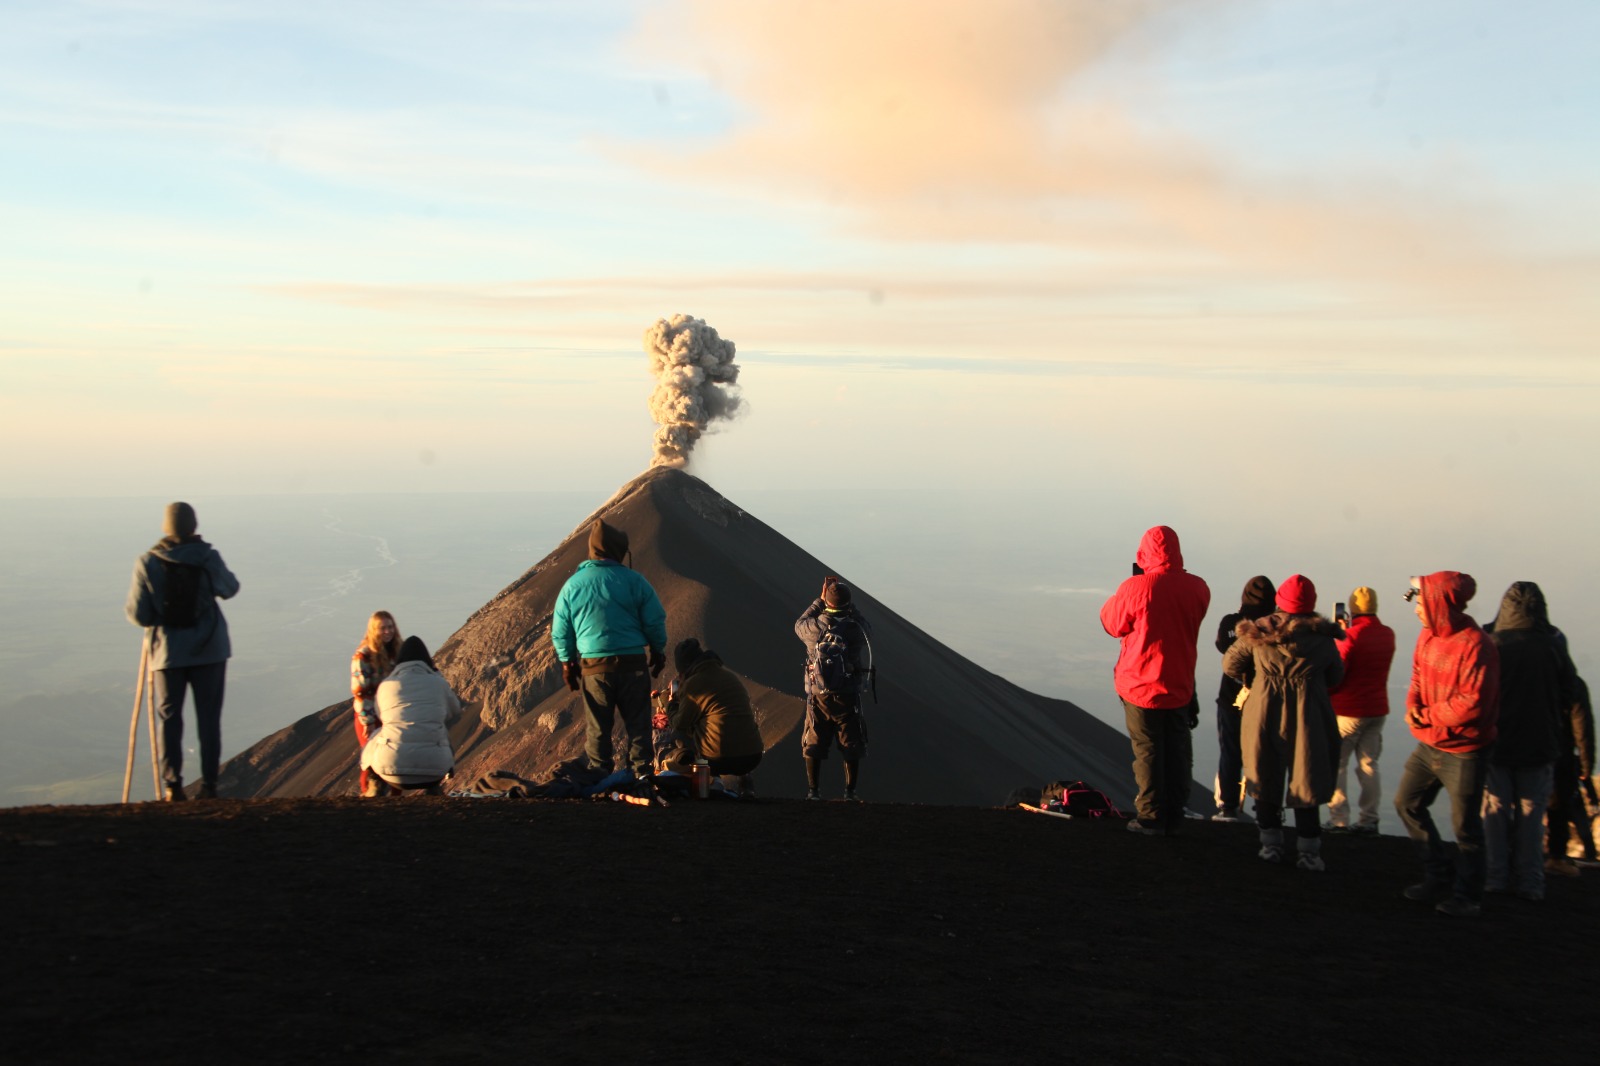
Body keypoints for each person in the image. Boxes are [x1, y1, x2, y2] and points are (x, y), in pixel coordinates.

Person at [1394, 571, 1500, 918]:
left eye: (1420, 602)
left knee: (1466, 827)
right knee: (1407, 803)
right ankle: (1438, 874)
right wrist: (1413, 705)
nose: (1416, 611)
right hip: (1429, 746)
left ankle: (1468, 895)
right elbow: (1416, 677)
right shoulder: (1428, 636)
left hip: (1466, 750)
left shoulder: (1477, 645)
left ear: (1439, 603)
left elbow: (1473, 704)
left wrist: (1426, 715)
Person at [1222, 575, 1343, 870]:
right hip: (1309, 715)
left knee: (1264, 776)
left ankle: (1270, 846)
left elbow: (1230, 664)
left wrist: (1255, 679)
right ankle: (1309, 853)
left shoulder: (1258, 632)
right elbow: (1336, 677)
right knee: (1306, 781)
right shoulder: (1323, 638)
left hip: (1263, 712)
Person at [124, 501, 241, 801]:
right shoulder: (207, 557)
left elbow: (139, 615)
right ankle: (210, 786)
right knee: (209, 719)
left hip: (168, 653)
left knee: (170, 719)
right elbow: (229, 588)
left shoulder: (148, 562)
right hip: (210, 651)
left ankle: (172, 786)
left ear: (166, 526)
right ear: (193, 525)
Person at [1099, 526, 1211, 836]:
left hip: (1140, 684)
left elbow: (1112, 623)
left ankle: (1150, 817)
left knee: (1148, 750)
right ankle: (1175, 813)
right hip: (1180, 683)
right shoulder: (1198, 588)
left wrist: (1126, 589)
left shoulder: (1136, 588)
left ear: (1143, 553)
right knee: (1177, 748)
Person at [1482, 582, 1577, 900]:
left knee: (1496, 809)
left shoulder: (1491, 642)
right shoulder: (1553, 645)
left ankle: (1495, 876)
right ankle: (1531, 881)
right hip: (1540, 742)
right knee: (1532, 813)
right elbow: (1570, 691)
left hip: (1498, 740)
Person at [552, 519, 668, 778]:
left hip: (595, 667)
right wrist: (658, 651)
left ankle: (599, 775)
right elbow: (654, 619)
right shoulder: (635, 581)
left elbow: (562, 630)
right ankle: (642, 775)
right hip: (632, 664)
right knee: (638, 724)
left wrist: (567, 663)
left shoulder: (573, 585)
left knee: (598, 727)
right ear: (619, 551)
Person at [1325, 586, 1397, 835]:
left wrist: (1339, 638)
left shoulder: (1351, 637)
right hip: (1377, 710)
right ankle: (1369, 819)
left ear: (1353, 609)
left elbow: (1336, 672)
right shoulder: (1388, 634)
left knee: (1337, 765)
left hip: (1348, 711)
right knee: (1369, 765)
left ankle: (1339, 819)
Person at [795, 576, 873, 801]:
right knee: (851, 740)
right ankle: (850, 793)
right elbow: (868, 630)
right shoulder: (855, 628)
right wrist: (850, 608)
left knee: (815, 739)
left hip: (818, 696)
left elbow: (799, 624)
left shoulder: (813, 628)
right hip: (848, 695)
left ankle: (813, 791)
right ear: (847, 605)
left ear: (827, 601)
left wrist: (819, 601)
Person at [360, 636, 461, 795]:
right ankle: (434, 789)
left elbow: (381, 715)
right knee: (439, 734)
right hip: (434, 770)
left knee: (377, 735)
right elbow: (455, 710)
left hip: (390, 768)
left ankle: (375, 785)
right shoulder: (438, 683)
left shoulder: (386, 685)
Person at [1212, 575, 1276, 822]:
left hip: (1230, 698)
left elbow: (1221, 647)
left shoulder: (1232, 622)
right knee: (1263, 754)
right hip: (1263, 700)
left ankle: (1227, 807)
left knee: (1230, 752)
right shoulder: (1274, 625)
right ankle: (1264, 808)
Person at [665, 638, 764, 795]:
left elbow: (679, 723)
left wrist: (671, 703)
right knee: (726, 722)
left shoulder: (693, 684)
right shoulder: (731, 678)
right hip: (752, 757)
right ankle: (746, 782)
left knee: (682, 732)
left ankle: (710, 780)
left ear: (683, 669)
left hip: (717, 760)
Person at [1548, 672, 1598, 871]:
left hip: (1519, 751)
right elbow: (1582, 728)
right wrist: (1586, 765)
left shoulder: (1521, 676)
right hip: (1561, 753)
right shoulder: (1572, 684)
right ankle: (1557, 857)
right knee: (1561, 806)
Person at [351, 610, 403, 798]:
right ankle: (370, 794)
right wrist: (368, 721)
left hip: (391, 714)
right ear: (374, 630)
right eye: (383, 628)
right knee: (372, 756)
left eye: (390, 627)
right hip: (372, 714)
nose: (388, 632)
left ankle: (395, 797)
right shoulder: (363, 656)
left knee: (395, 757)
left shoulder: (398, 652)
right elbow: (361, 691)